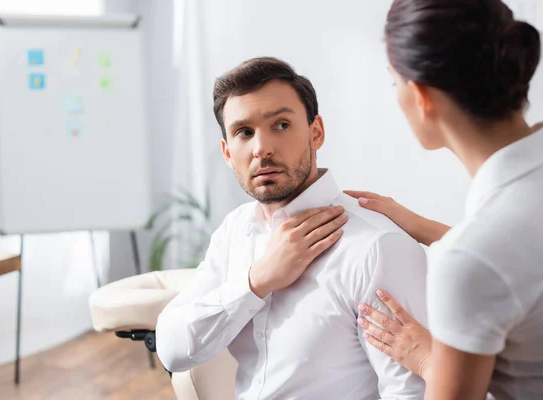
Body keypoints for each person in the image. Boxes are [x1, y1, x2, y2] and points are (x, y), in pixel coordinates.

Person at [156, 57, 428, 399]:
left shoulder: (375, 247)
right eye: (244, 132)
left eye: (281, 125)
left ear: (316, 132)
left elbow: (410, 393)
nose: (262, 149)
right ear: (227, 152)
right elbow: (172, 348)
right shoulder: (236, 230)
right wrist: (257, 282)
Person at [348, 1, 543, 399]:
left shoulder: (472, 258)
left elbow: (492, 259)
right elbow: (531, 261)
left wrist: (431, 361)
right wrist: (424, 227)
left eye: (394, 81)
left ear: (423, 97)